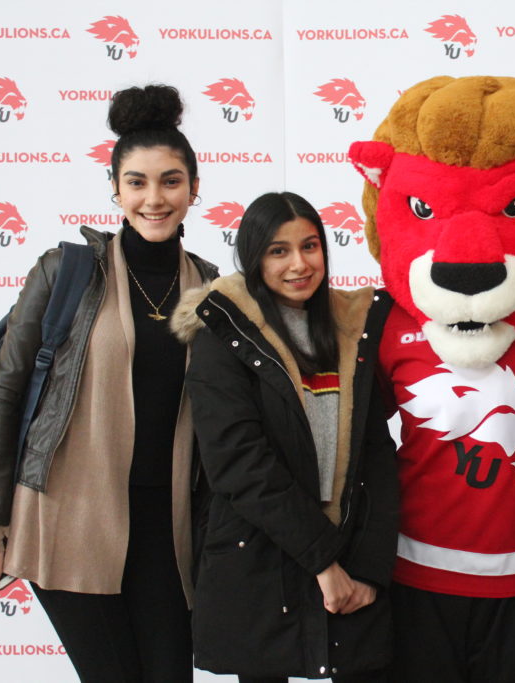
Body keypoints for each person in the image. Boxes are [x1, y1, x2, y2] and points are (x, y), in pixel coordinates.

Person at [0, 84, 217, 681]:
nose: (154, 199)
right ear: (115, 189)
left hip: (168, 533)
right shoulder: (65, 271)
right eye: (137, 182)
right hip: (68, 520)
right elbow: (3, 398)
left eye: (171, 181)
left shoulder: (213, 290)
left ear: (194, 189)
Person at [172, 192, 398, 683]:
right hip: (258, 562)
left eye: (310, 246)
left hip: (352, 563)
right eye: (279, 251)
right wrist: (324, 562)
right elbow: (240, 465)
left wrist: (371, 571)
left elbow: (377, 455)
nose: (299, 264)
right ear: (254, 258)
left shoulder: (351, 329)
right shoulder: (221, 335)